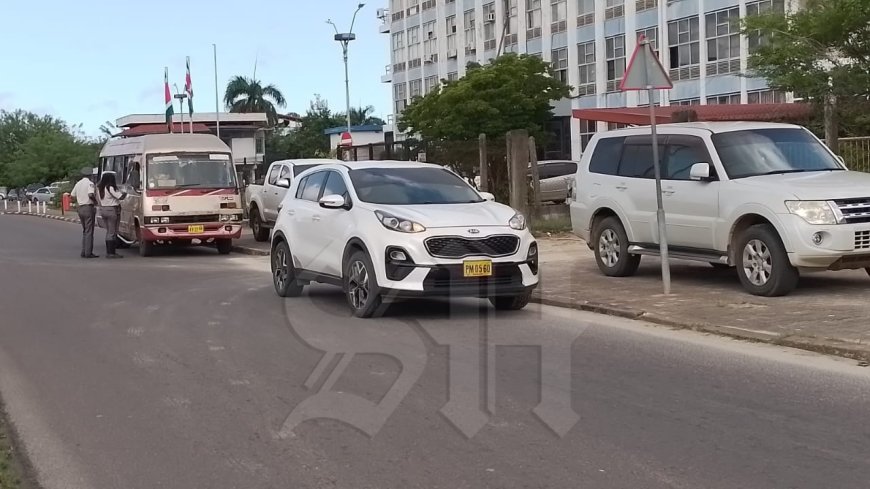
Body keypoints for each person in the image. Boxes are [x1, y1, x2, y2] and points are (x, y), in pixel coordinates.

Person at [96, 171, 127, 259]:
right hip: (111, 210)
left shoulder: (99, 188)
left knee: (109, 231)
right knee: (112, 232)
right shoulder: (110, 187)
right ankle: (111, 253)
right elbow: (120, 197)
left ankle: (110, 252)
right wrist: (125, 192)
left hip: (103, 210)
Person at [71, 167, 98, 258]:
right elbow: (90, 194)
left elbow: (72, 194)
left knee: (85, 230)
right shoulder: (90, 184)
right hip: (88, 207)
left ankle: (84, 251)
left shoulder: (78, 183)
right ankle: (88, 252)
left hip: (80, 207)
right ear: (90, 175)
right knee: (89, 231)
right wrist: (95, 201)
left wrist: (80, 199)